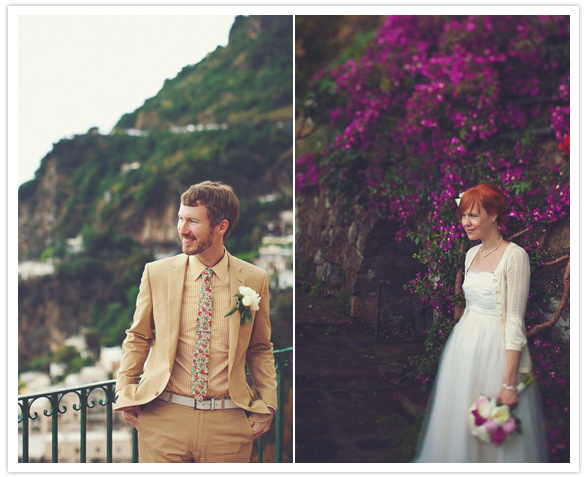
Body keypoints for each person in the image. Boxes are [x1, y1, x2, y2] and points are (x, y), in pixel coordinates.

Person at [113, 180, 277, 463]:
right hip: (164, 420)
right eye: (180, 218)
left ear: (221, 227)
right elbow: (138, 337)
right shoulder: (157, 273)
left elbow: (260, 347)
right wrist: (125, 393)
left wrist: (268, 406)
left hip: (228, 425)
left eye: (192, 221)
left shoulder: (254, 279)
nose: (182, 229)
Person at [414, 183, 548, 463]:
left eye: (473, 215)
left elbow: (514, 319)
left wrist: (510, 383)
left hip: (494, 351)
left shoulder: (515, 256)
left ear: (494, 215)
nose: (465, 222)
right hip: (464, 348)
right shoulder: (471, 254)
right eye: (463, 216)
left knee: (494, 430)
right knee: (459, 424)